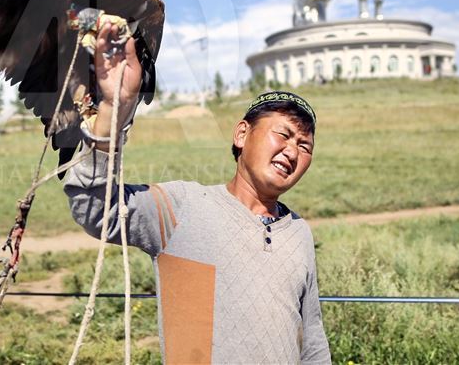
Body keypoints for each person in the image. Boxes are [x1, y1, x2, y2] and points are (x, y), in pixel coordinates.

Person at [63, 22, 331, 364]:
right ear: (241, 134)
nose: (292, 152)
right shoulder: (184, 208)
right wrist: (115, 107)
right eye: (283, 135)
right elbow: (96, 209)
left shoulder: (298, 232)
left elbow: (312, 338)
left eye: (304, 145)